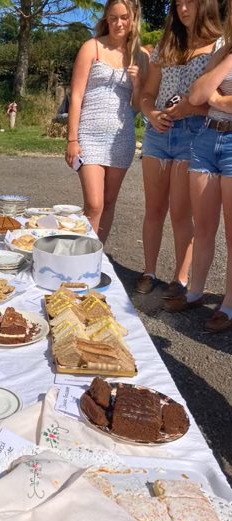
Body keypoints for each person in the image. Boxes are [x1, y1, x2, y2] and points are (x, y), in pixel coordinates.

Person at [136, 0, 223, 298]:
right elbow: (147, 94)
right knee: (154, 209)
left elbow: (217, 99)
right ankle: (148, 271)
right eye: (178, 4)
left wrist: (192, 109)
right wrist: (151, 113)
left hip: (194, 135)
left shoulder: (219, 46)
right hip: (158, 134)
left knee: (180, 213)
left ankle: (180, 278)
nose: (184, 9)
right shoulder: (166, 47)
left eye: (190, 3)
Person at [164, 1, 232, 331]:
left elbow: (207, 96)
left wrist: (215, 100)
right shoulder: (224, 49)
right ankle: (194, 291)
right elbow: (197, 93)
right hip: (207, 141)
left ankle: (229, 305)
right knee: (203, 226)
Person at [65, 0, 148, 243]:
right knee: (94, 204)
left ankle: (96, 256)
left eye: (124, 17)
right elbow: (77, 96)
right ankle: (79, 256)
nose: (118, 23)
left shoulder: (140, 56)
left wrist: (137, 84)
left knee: (109, 202)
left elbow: (137, 106)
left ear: (133, 20)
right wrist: (72, 138)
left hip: (121, 139)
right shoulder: (92, 47)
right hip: (89, 135)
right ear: (106, 19)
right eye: (113, 18)